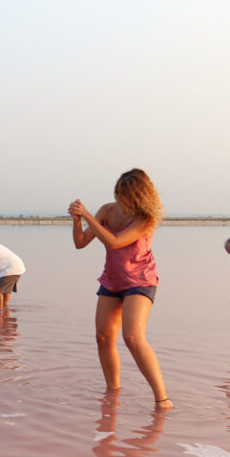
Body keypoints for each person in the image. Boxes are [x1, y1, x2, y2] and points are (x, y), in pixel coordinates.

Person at [69, 169, 171, 409]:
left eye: (127, 195)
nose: (122, 200)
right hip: (112, 280)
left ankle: (162, 399)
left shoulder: (145, 218)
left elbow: (114, 242)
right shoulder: (107, 210)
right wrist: (77, 221)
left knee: (133, 337)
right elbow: (80, 243)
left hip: (141, 280)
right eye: (119, 194)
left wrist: (88, 216)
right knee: (103, 337)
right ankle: (112, 392)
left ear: (140, 196)